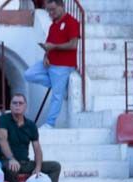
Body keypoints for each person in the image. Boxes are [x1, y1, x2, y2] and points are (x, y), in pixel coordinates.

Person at [24, 0, 80, 130]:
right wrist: (45, 56)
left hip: (63, 65)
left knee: (56, 95)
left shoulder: (72, 22)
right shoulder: (53, 25)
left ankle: (50, 123)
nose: (50, 13)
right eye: (48, 10)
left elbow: (73, 45)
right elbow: (48, 44)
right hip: (49, 63)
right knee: (28, 74)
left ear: (62, 6)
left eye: (53, 9)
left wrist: (54, 46)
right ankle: (58, 86)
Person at [0, 93, 61, 182]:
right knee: (12, 168)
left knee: (55, 167)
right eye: (14, 103)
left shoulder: (31, 125)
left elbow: (37, 148)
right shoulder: (3, 119)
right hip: (8, 161)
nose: (17, 105)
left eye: (20, 103)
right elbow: (2, 140)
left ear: (25, 106)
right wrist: (11, 159)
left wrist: (38, 167)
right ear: (10, 105)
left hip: (25, 163)